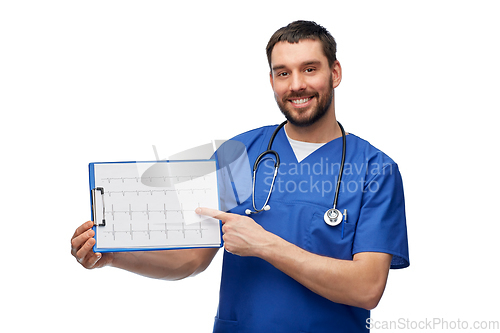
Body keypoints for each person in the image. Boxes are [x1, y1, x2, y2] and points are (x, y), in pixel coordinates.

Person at [71, 20, 409, 332]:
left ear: (334, 73)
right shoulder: (239, 153)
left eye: (309, 69)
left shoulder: (376, 170)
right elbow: (191, 258)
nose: (296, 85)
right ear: (272, 80)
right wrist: (115, 256)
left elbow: (367, 288)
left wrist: (266, 246)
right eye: (282, 73)